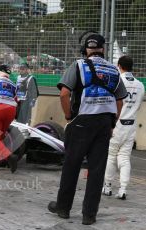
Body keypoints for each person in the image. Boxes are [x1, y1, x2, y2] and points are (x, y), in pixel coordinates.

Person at [47, 33, 127, 225]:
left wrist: (69, 117)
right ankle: (89, 215)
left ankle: (63, 208)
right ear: (103, 49)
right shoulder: (114, 70)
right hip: (104, 124)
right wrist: (112, 123)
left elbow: (64, 94)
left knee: (71, 165)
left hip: (81, 121)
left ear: (86, 50)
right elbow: (120, 100)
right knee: (97, 169)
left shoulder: (78, 65)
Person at [103, 56, 145, 200]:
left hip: (117, 123)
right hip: (131, 125)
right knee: (125, 158)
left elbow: (112, 103)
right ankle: (123, 189)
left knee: (111, 155)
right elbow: (138, 105)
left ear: (119, 65)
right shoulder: (140, 85)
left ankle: (107, 187)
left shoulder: (117, 81)